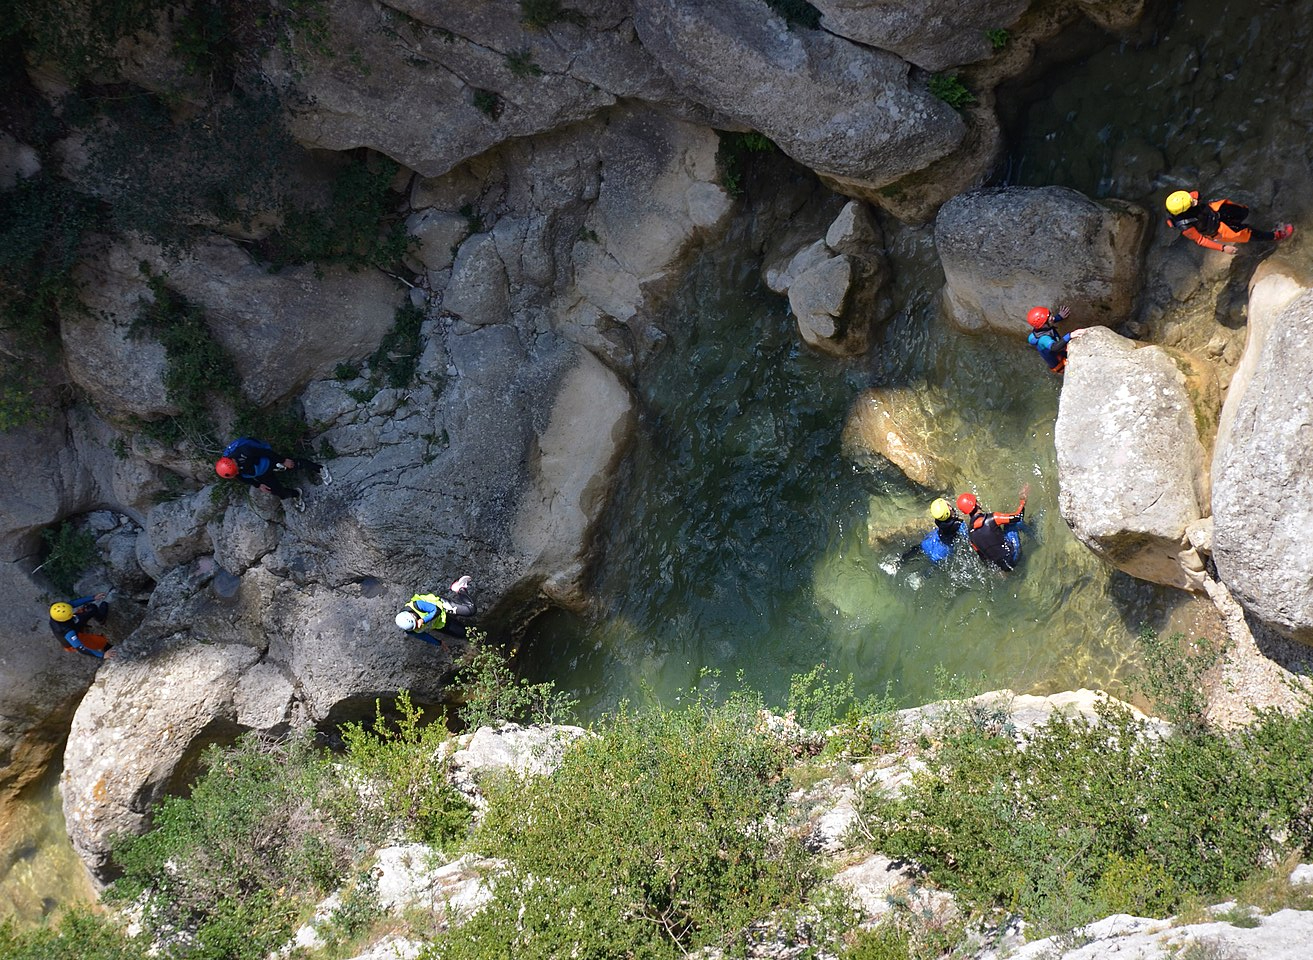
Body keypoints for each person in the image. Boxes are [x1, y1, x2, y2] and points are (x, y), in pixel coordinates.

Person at [214, 437, 331, 512]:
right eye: (236, 472)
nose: (238, 471)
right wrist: (258, 485)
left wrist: (283, 460)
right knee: (278, 492)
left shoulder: (244, 451)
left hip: (268, 462)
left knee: (294, 464)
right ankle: (296, 494)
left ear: (232, 461)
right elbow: (242, 478)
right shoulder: (234, 470)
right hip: (260, 474)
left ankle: (319, 469)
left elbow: (266, 452)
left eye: (237, 469)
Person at [1165, 190, 1294, 255]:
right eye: (1192, 203)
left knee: (1243, 211)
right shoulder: (1186, 227)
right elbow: (1201, 241)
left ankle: (1253, 213)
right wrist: (1223, 248)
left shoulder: (1184, 199)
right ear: (1183, 211)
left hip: (1215, 211)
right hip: (1217, 229)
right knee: (1248, 234)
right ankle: (1276, 236)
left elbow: (1195, 194)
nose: (1195, 200)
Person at [395, 576, 476, 651]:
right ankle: (454, 619)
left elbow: (436, 610)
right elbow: (423, 636)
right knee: (462, 633)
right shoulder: (410, 629)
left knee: (470, 610)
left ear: (412, 615)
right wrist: (439, 643)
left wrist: (423, 620)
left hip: (440, 606)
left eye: (416, 623)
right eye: (415, 627)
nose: (418, 626)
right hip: (439, 622)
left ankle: (459, 587)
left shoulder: (417, 605)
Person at [957, 488, 1028, 573]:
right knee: (1010, 524)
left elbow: (983, 557)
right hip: (1013, 556)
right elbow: (1018, 516)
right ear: (977, 504)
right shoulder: (993, 518)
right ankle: (1032, 530)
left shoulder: (970, 533)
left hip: (1003, 568)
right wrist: (1023, 500)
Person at [48, 593, 114, 659]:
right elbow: (81, 648)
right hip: (74, 638)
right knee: (101, 641)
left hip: (72, 624)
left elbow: (72, 603)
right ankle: (106, 647)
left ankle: (101, 619)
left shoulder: (56, 609)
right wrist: (102, 655)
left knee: (91, 608)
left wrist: (93, 598)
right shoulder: (68, 632)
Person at [914, 497, 963, 565]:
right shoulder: (960, 525)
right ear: (949, 508)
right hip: (942, 553)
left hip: (928, 543)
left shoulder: (939, 522)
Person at [1026, 305, 1074, 374]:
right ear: (1044, 325)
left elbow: (1049, 322)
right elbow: (1054, 347)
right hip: (1060, 364)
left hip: (1058, 353)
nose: (1053, 318)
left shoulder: (1041, 328)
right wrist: (1070, 335)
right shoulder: (1044, 339)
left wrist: (1059, 317)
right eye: (1050, 318)